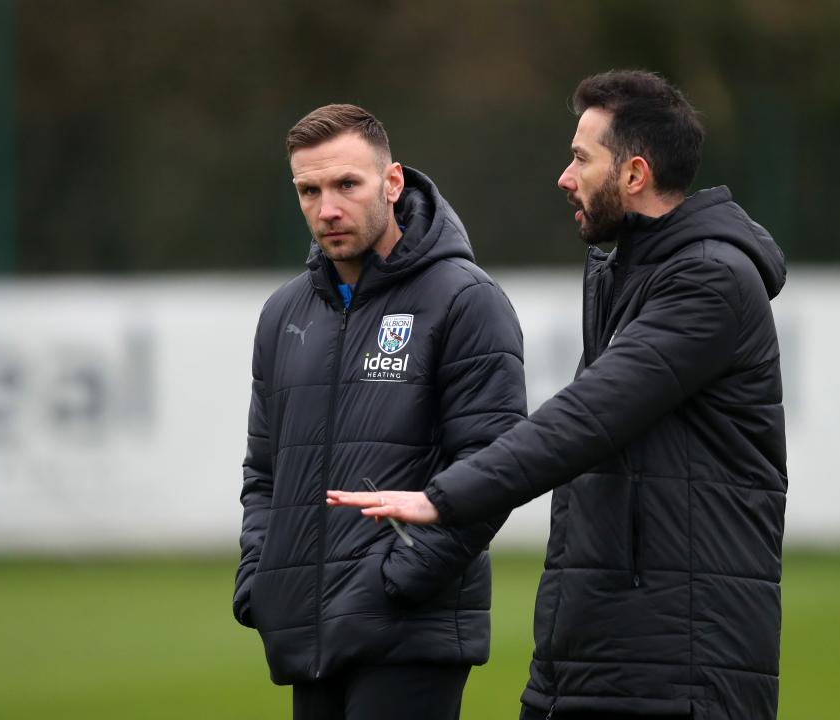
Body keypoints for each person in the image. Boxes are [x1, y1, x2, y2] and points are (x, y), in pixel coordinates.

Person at [328, 71, 788, 720]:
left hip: (681, 668)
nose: (564, 177)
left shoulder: (711, 280)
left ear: (633, 174)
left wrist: (445, 496)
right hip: (595, 656)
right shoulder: (622, 271)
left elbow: (586, 419)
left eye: (580, 158)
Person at [233, 103, 527, 720]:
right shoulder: (284, 314)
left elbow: (493, 467)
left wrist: (399, 581)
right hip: (305, 631)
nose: (327, 208)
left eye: (347, 184)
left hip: (408, 633)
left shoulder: (465, 300)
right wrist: (260, 577)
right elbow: (265, 472)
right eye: (308, 190)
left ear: (392, 184)